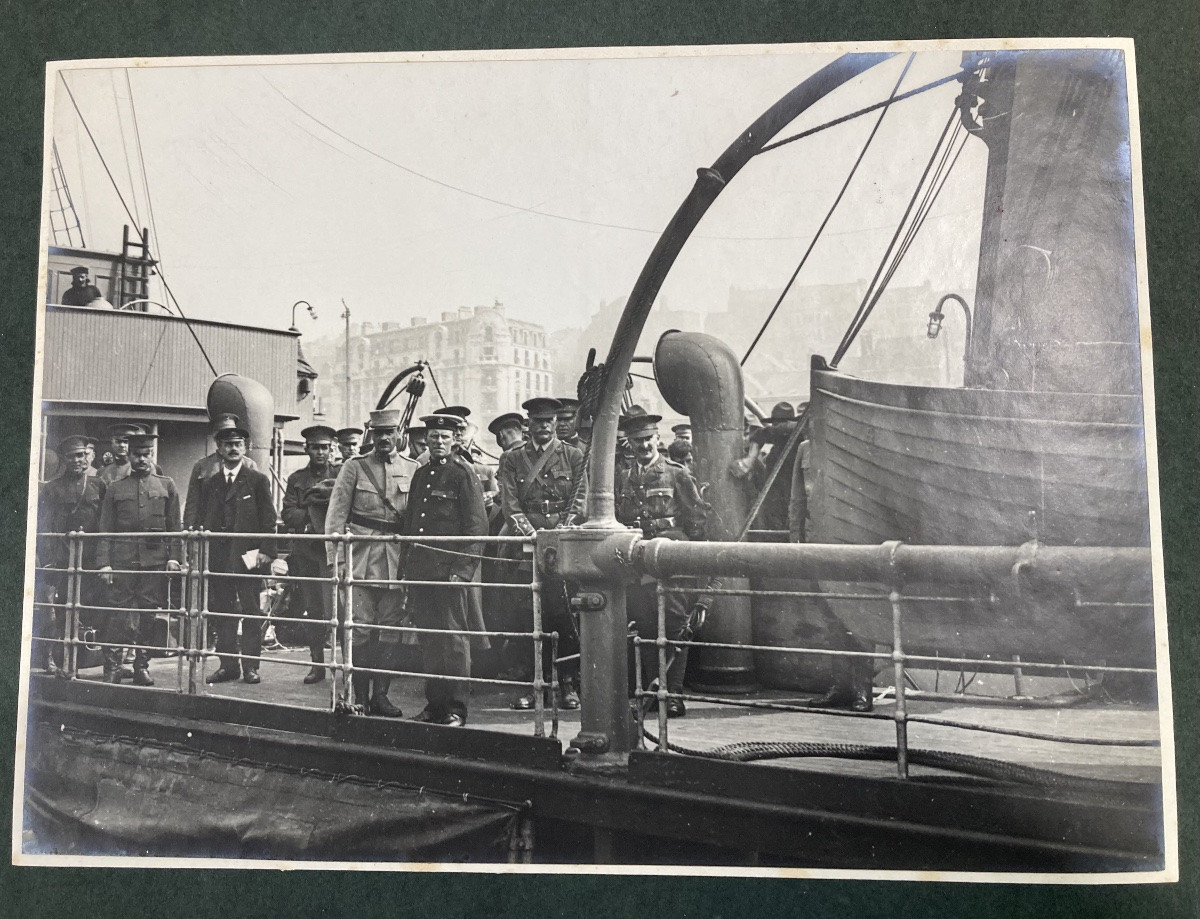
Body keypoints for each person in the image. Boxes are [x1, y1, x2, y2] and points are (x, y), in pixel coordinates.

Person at [615, 412, 710, 717]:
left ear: (657, 438)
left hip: (671, 560)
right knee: (644, 627)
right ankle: (652, 691)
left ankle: (674, 695)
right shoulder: (624, 477)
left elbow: (697, 521)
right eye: (637, 441)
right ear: (629, 444)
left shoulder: (676, 473)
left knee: (675, 626)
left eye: (648, 439)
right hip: (639, 561)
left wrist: (687, 559)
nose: (643, 445)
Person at [496, 397, 588, 710]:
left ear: (556, 423)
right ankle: (534, 684)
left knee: (565, 614)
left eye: (549, 421)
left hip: (563, 545)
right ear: (529, 425)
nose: (544, 427)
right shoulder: (513, 458)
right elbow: (510, 504)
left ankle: (567, 683)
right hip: (529, 546)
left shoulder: (573, 456)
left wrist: (558, 533)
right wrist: (531, 535)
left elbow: (579, 501)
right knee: (529, 617)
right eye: (538, 422)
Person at [325, 409, 417, 716]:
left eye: (389, 432)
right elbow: (336, 517)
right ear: (371, 435)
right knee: (359, 627)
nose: (384, 438)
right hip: (360, 560)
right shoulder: (354, 467)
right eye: (378, 433)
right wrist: (337, 562)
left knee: (390, 628)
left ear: (398, 434)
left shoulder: (413, 468)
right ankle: (359, 696)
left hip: (396, 560)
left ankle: (381, 696)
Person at [400, 413, 489, 726]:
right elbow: (412, 525)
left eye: (444, 437)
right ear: (427, 439)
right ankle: (434, 706)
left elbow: (477, 528)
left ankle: (456, 709)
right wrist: (405, 571)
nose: (438, 442)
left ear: (454, 440)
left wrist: (462, 571)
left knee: (454, 642)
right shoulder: (421, 474)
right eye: (434, 437)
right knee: (430, 640)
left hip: (449, 573)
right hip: (422, 572)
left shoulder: (462, 474)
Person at [197, 416, 286, 685]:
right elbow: (202, 518)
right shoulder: (211, 483)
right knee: (222, 610)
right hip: (219, 558)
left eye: (238, 444)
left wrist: (267, 551)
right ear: (219, 449)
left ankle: (250, 667)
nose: (233, 449)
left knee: (250, 611)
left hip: (248, 556)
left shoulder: (257, 481)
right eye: (228, 445)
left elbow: (269, 519)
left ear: (245, 448)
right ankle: (228, 666)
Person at [95, 432, 182, 686]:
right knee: (116, 616)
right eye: (137, 455)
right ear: (130, 456)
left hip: (154, 562)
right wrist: (104, 563)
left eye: (146, 454)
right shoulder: (115, 488)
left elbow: (175, 527)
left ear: (152, 455)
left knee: (148, 616)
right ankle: (112, 667)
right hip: (122, 562)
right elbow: (105, 528)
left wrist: (174, 558)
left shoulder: (166, 485)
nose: (141, 459)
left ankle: (141, 667)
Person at [35, 435, 107, 676]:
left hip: (90, 561)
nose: (77, 460)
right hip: (62, 560)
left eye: (81, 455)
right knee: (61, 613)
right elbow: (45, 528)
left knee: (88, 610)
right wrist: (49, 561)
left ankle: (83, 660)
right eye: (71, 456)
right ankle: (60, 661)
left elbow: (105, 525)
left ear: (87, 456)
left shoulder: (99, 485)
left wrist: (102, 560)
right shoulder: (51, 489)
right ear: (64, 460)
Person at [281, 424, 341, 684]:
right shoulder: (297, 479)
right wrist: (314, 516)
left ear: (332, 449)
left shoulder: (342, 474)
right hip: (307, 554)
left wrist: (311, 512)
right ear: (307, 449)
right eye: (315, 447)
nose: (320, 452)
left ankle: (346, 664)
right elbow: (288, 513)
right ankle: (317, 664)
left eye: (325, 448)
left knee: (340, 609)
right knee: (313, 609)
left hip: (334, 554)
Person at [182, 414, 258, 528]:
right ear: (217, 442)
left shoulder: (249, 465)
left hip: (239, 527)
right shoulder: (202, 466)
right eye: (225, 436)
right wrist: (189, 527)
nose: (230, 437)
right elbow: (193, 502)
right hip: (210, 527)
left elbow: (257, 500)